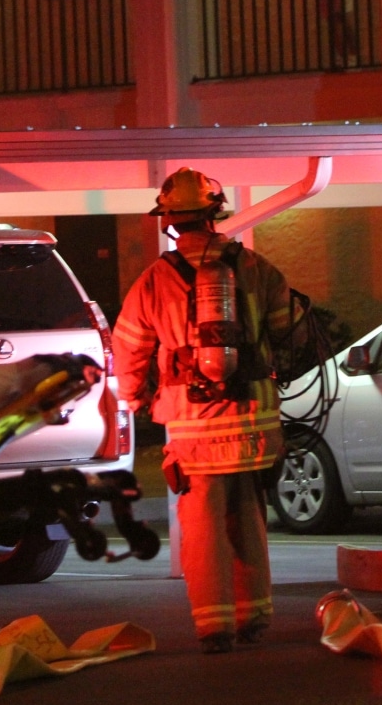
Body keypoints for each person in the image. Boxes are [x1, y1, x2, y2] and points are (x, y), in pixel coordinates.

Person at [113, 168, 292, 654]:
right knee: (249, 518)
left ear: (169, 219)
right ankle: (254, 617)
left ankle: (216, 627)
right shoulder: (255, 267)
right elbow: (288, 330)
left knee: (203, 525)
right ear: (217, 214)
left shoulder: (154, 280)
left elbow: (129, 347)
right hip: (253, 422)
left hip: (193, 430)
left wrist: (133, 397)